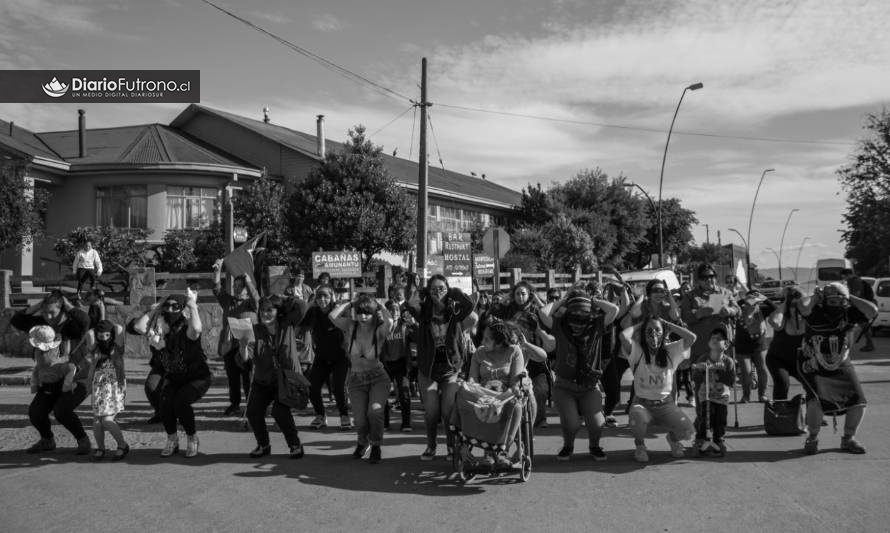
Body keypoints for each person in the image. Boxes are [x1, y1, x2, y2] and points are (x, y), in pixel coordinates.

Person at [128, 289, 211, 458]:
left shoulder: (186, 328)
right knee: (164, 402)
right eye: (168, 306)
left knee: (181, 401)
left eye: (176, 307)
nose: (171, 310)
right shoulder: (158, 329)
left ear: (182, 309)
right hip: (174, 376)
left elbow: (196, 328)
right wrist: (157, 308)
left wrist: (192, 305)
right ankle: (172, 439)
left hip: (197, 377)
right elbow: (138, 326)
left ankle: (191, 437)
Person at [404, 274, 477, 461]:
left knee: (448, 411)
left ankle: (451, 447)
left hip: (450, 367)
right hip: (427, 368)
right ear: (429, 291)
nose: (438, 292)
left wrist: (451, 291)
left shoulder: (454, 310)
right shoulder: (424, 311)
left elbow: (470, 305)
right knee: (431, 411)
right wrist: (423, 291)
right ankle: (431, 446)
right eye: (434, 289)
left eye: (442, 288)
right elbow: (410, 303)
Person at [798, 282, 877, 455]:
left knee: (858, 402)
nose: (837, 305)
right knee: (816, 401)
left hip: (842, 363)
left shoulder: (849, 313)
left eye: (840, 301)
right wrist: (817, 297)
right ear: (824, 300)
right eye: (832, 301)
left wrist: (849, 297)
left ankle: (848, 439)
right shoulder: (815, 312)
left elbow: (872, 310)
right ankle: (812, 438)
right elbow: (803, 307)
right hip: (815, 363)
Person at [541, 288, 619, 461]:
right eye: (574, 310)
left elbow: (614, 310)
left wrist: (592, 299)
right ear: (568, 310)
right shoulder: (561, 326)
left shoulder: (596, 325)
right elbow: (543, 312)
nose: (578, 314)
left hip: (589, 385)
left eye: (583, 310)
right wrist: (564, 300)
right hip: (564, 385)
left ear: (589, 311)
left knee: (598, 423)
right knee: (572, 422)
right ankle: (568, 446)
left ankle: (594, 446)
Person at [12, 292, 92, 454]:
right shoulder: (42, 324)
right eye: (45, 312)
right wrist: (40, 304)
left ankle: (83, 440)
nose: (48, 317)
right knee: (36, 412)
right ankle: (47, 440)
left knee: (62, 410)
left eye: (52, 312)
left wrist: (68, 306)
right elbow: (17, 320)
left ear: (62, 309)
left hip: (77, 377)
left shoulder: (72, 325)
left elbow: (85, 320)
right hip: (51, 379)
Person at [620, 317, 697, 463]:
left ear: (664, 333)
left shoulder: (671, 351)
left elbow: (692, 337)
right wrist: (641, 324)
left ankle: (673, 440)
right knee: (637, 418)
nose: (653, 334)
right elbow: (623, 336)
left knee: (687, 431)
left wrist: (668, 325)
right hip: (642, 405)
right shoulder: (637, 350)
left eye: (657, 330)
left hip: (665, 405)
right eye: (649, 331)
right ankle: (640, 446)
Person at [329, 295, 393, 464]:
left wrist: (380, 306)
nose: (362, 317)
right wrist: (351, 303)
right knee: (360, 419)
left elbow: (391, 322)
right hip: (356, 380)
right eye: (359, 313)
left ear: (374, 313)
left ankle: (376, 445)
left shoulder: (379, 330)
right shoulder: (351, 326)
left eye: (367, 313)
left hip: (378, 378)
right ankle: (362, 443)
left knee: (375, 411)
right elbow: (332, 316)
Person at [241, 296, 306, 459]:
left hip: (286, 380)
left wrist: (280, 298)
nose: (265, 313)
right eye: (262, 310)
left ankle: (295, 445)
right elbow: (244, 358)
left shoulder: (287, 325)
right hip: (263, 380)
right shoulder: (254, 330)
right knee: (253, 412)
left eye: (270, 310)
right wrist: (242, 346)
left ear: (278, 312)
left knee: (279, 412)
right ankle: (263, 445)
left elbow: (302, 306)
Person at [466, 321, 531, 467]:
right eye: (483, 338)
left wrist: (507, 393)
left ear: (499, 343)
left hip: (505, 394)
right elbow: (472, 377)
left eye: (487, 339)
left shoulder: (514, 351)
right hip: (483, 393)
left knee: (515, 407)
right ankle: (487, 451)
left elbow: (515, 381)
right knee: (466, 403)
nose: (482, 342)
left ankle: (502, 450)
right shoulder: (479, 353)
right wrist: (471, 385)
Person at [680, 264, 740, 406]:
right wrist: (698, 313)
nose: (709, 280)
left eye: (712, 276)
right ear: (698, 280)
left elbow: (738, 310)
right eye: (704, 277)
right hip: (700, 348)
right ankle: (702, 419)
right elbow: (684, 316)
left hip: (720, 350)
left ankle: (719, 419)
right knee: (700, 386)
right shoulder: (690, 296)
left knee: (722, 385)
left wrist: (730, 311)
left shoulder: (725, 293)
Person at [299, 284, 351, 430]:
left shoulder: (339, 310)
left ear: (332, 297)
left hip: (340, 356)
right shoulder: (314, 311)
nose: (322, 299)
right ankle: (320, 415)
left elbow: (349, 327)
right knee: (312, 386)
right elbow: (301, 321)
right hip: (321, 357)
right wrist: (310, 302)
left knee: (339, 388)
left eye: (326, 296)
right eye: (319, 296)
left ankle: (344, 415)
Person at [212, 259, 259, 417]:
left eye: (241, 286)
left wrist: (249, 281)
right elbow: (217, 289)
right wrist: (218, 272)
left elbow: (257, 300)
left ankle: (251, 405)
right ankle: (234, 404)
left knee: (248, 377)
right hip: (230, 345)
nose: (238, 289)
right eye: (236, 287)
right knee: (232, 377)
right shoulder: (228, 302)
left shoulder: (251, 304)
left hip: (247, 345)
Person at [691, 327, 736, 457]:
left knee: (720, 419)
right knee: (705, 417)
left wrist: (720, 372)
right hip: (705, 395)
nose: (715, 340)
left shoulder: (728, 361)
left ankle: (718, 439)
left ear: (726, 345)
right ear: (708, 343)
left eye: (719, 339)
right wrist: (699, 370)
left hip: (722, 396)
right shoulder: (703, 358)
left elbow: (731, 381)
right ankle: (700, 439)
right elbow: (696, 378)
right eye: (713, 338)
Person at [88, 320, 129, 461]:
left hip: (114, 386)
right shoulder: (95, 351)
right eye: (100, 336)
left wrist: (111, 328)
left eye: (107, 335)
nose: (104, 338)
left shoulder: (117, 348)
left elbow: (118, 328)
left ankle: (122, 445)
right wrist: (89, 384)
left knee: (106, 419)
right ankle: (100, 448)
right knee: (97, 421)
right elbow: (92, 367)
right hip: (98, 387)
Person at [765, 284, 808, 400]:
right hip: (778, 360)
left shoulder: (808, 320)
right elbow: (773, 321)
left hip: (799, 362)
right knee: (782, 384)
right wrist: (787, 302)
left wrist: (802, 300)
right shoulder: (782, 319)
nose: (796, 310)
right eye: (793, 306)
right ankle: (779, 413)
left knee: (814, 385)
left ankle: (813, 414)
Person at [734, 290, 775, 403]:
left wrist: (764, 298)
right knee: (746, 372)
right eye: (750, 301)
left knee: (763, 371)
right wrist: (745, 299)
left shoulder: (762, 310)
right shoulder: (738, 309)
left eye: (755, 302)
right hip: (742, 347)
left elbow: (775, 308)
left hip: (759, 346)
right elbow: (731, 304)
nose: (752, 304)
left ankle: (762, 395)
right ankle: (746, 395)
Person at [382, 301, 414, 432]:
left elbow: (416, 337)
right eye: (391, 310)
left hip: (401, 363)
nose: (394, 312)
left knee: (404, 393)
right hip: (386, 364)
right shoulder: (383, 326)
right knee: (383, 394)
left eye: (396, 310)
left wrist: (413, 324)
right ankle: (385, 423)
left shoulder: (405, 326)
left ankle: (406, 423)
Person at [841, 268, 876, 352]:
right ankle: (845, 343)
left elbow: (857, 295)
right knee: (854, 324)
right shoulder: (851, 281)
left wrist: (847, 299)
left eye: (844, 276)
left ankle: (870, 345)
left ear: (848, 275)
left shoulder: (856, 281)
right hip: (857, 306)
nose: (843, 278)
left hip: (859, 307)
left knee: (864, 326)